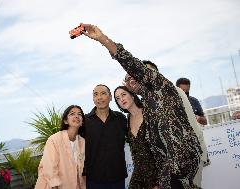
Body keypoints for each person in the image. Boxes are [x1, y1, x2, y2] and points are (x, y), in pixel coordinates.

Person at [81, 24, 202, 189]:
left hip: (181, 164)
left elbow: (131, 63)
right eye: (127, 80)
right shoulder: (146, 106)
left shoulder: (162, 87)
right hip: (164, 172)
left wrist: (103, 39)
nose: (131, 80)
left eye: (134, 76)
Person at [144, 61, 209, 187]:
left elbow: (194, 127)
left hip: (189, 157)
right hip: (172, 164)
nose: (147, 75)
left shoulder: (173, 93)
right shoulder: (150, 99)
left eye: (150, 72)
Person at [83, 84, 128, 189]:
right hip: (94, 180)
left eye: (103, 93)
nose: (99, 97)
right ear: (93, 99)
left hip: (118, 178)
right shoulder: (84, 121)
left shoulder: (121, 118)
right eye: (96, 94)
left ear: (110, 97)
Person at [34, 105, 86, 189]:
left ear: (82, 121)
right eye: (72, 114)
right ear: (65, 121)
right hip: (54, 186)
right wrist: (54, 185)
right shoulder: (54, 139)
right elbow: (49, 167)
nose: (77, 116)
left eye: (79, 114)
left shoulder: (82, 142)